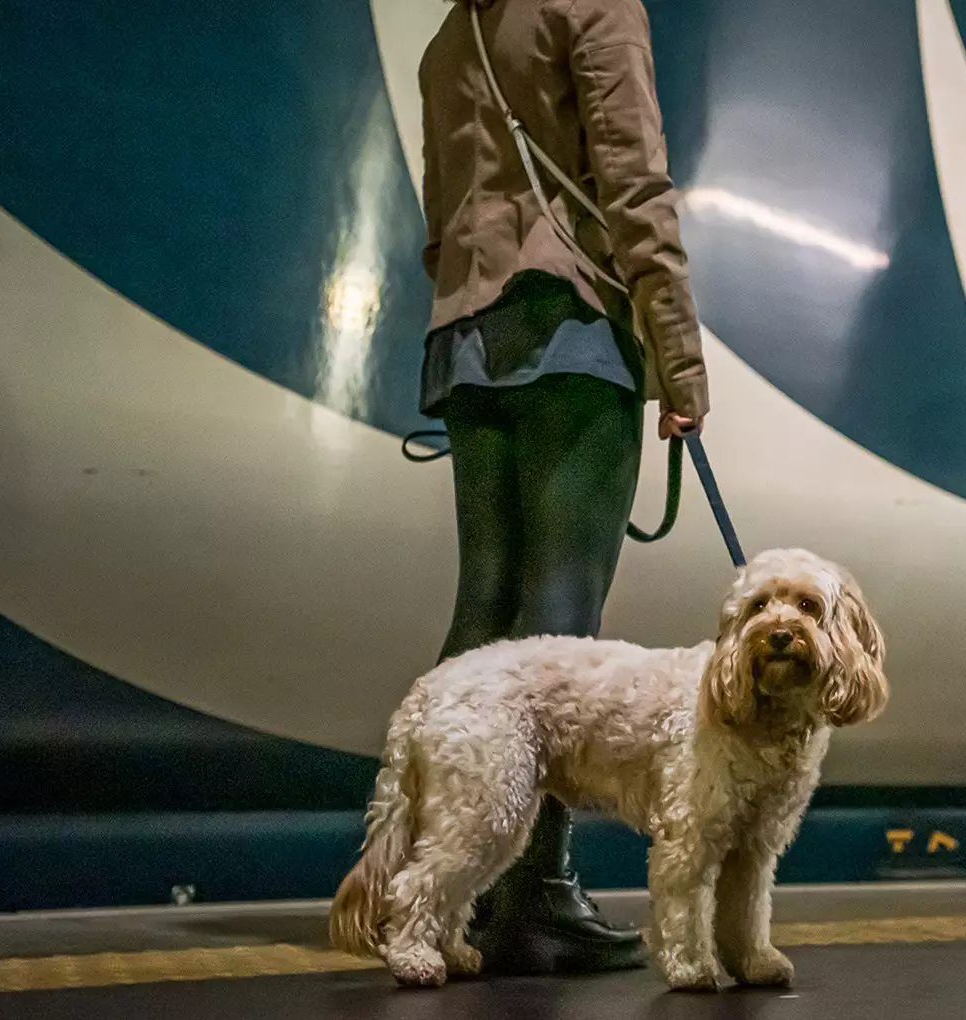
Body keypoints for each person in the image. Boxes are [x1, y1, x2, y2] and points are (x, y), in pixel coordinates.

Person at [414, 0, 710, 976]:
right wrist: (678, 362)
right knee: (557, 620)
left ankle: (443, 888)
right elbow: (635, 183)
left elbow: (440, 220)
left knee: (482, 614)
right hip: (571, 332)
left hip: (466, 337)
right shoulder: (595, 6)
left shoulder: (450, 37)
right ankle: (533, 891)